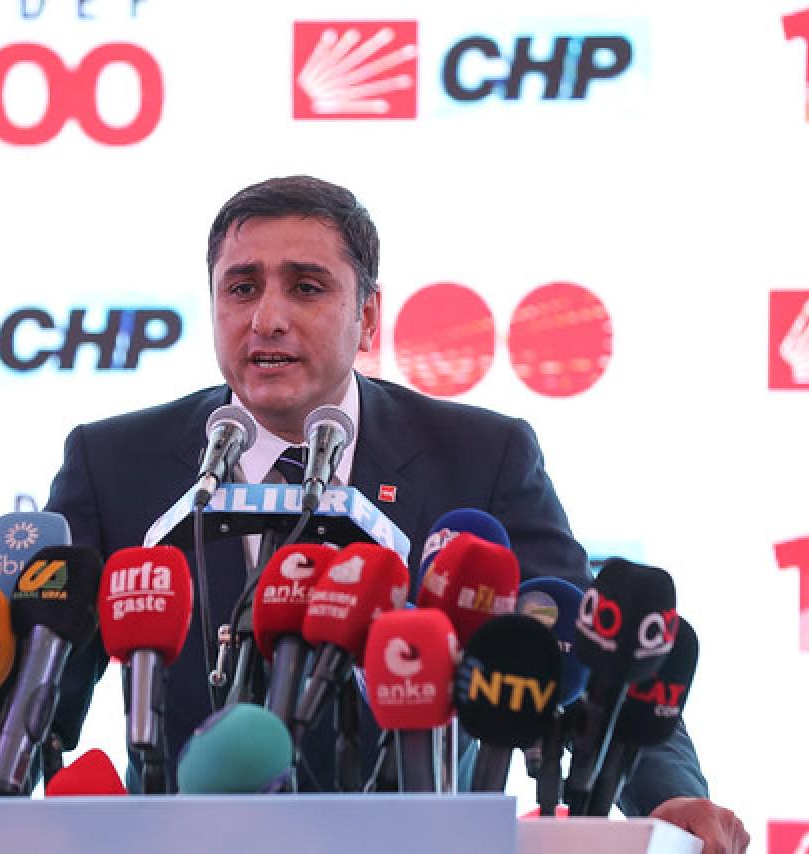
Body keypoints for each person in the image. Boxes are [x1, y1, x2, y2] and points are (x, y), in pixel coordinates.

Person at [46, 175, 749, 852]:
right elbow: (34, 692)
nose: (267, 318)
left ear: (368, 316)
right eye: (242, 287)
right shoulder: (115, 463)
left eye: (306, 287)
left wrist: (669, 797)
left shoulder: (482, 457)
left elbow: (590, 652)